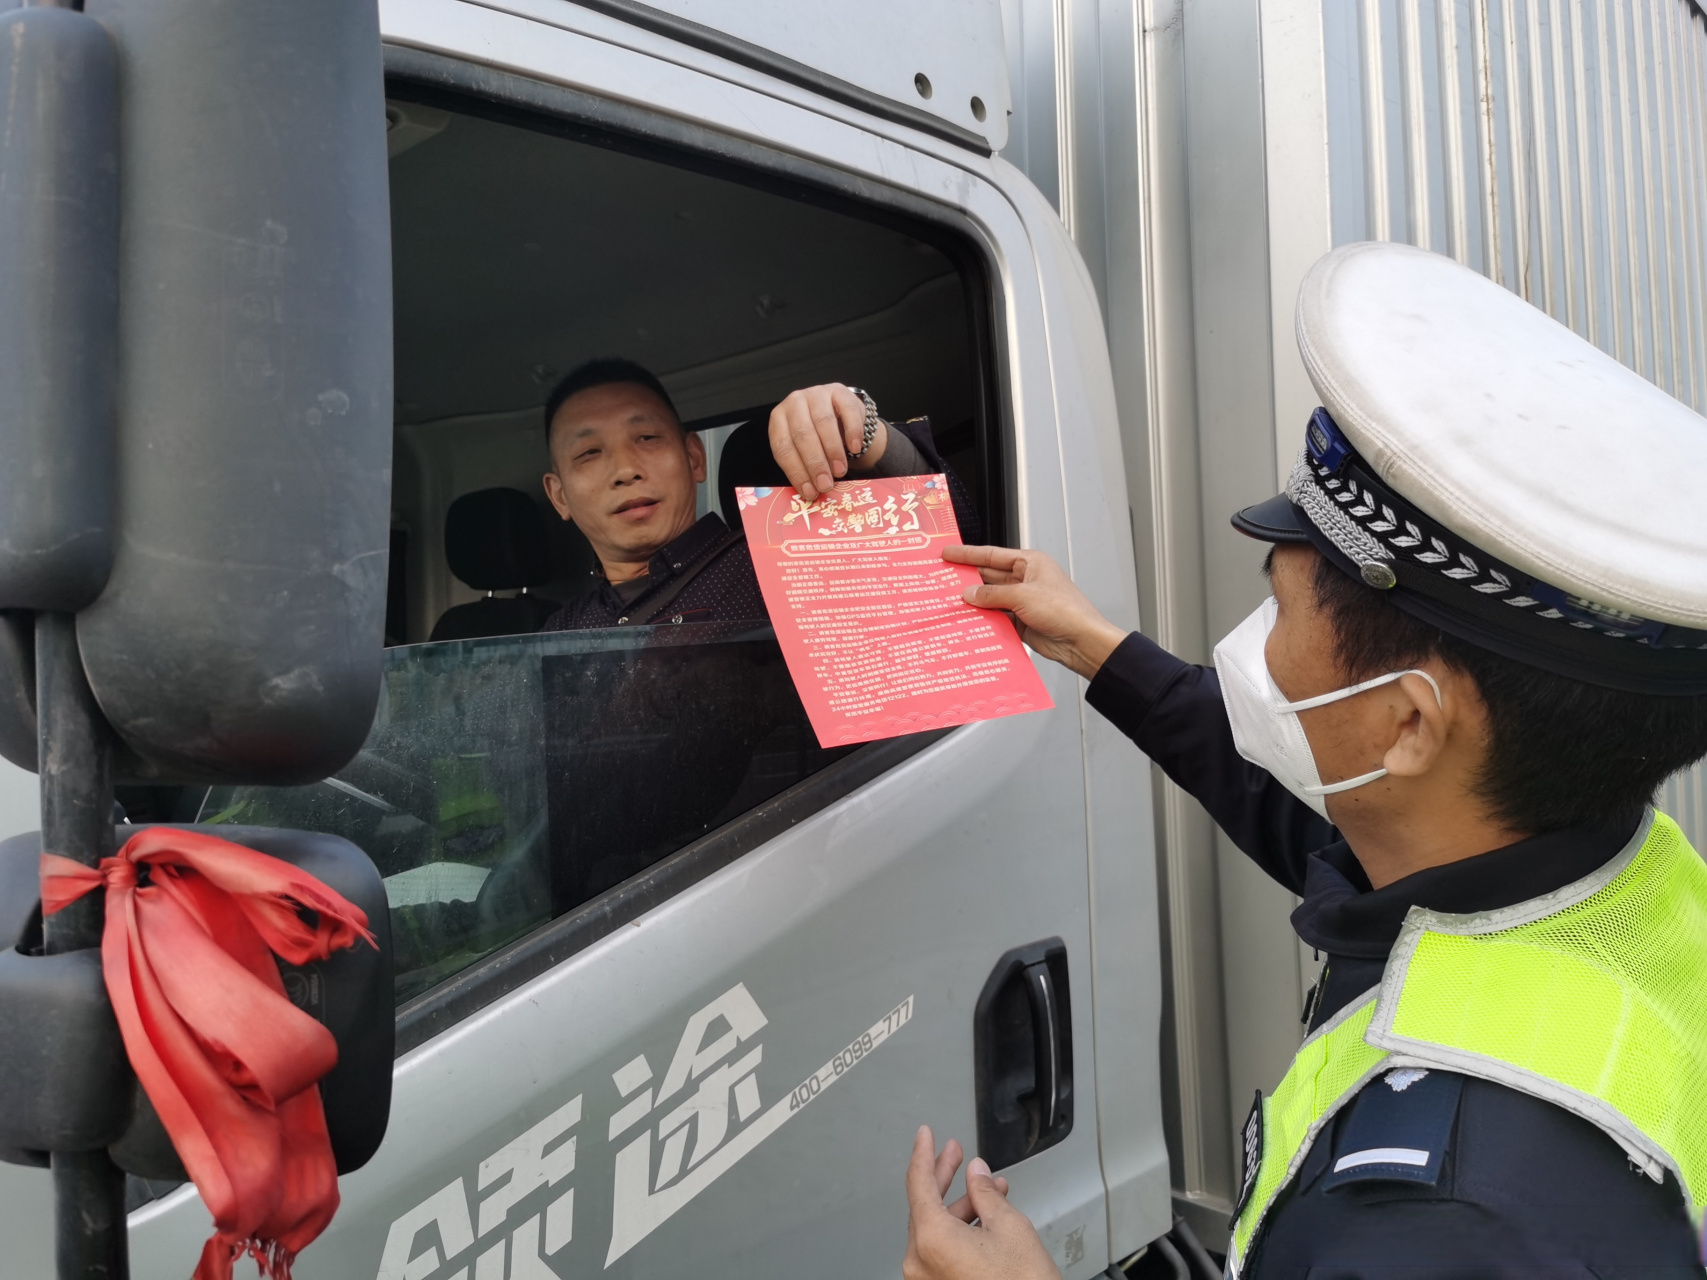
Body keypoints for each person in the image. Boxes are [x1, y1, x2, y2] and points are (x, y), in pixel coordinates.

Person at [903, 242, 1707, 1278]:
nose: (1255, 644)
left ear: (1408, 726)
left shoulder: (1441, 1220)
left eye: (1279, 609)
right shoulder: (1607, 875)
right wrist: (1095, 647)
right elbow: (1312, 827)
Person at [539, 358, 979, 629]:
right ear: (559, 495)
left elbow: (948, 561)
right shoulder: (557, 634)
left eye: (647, 438)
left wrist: (864, 434)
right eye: (590, 452)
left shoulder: (791, 563)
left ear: (695, 458)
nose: (625, 470)